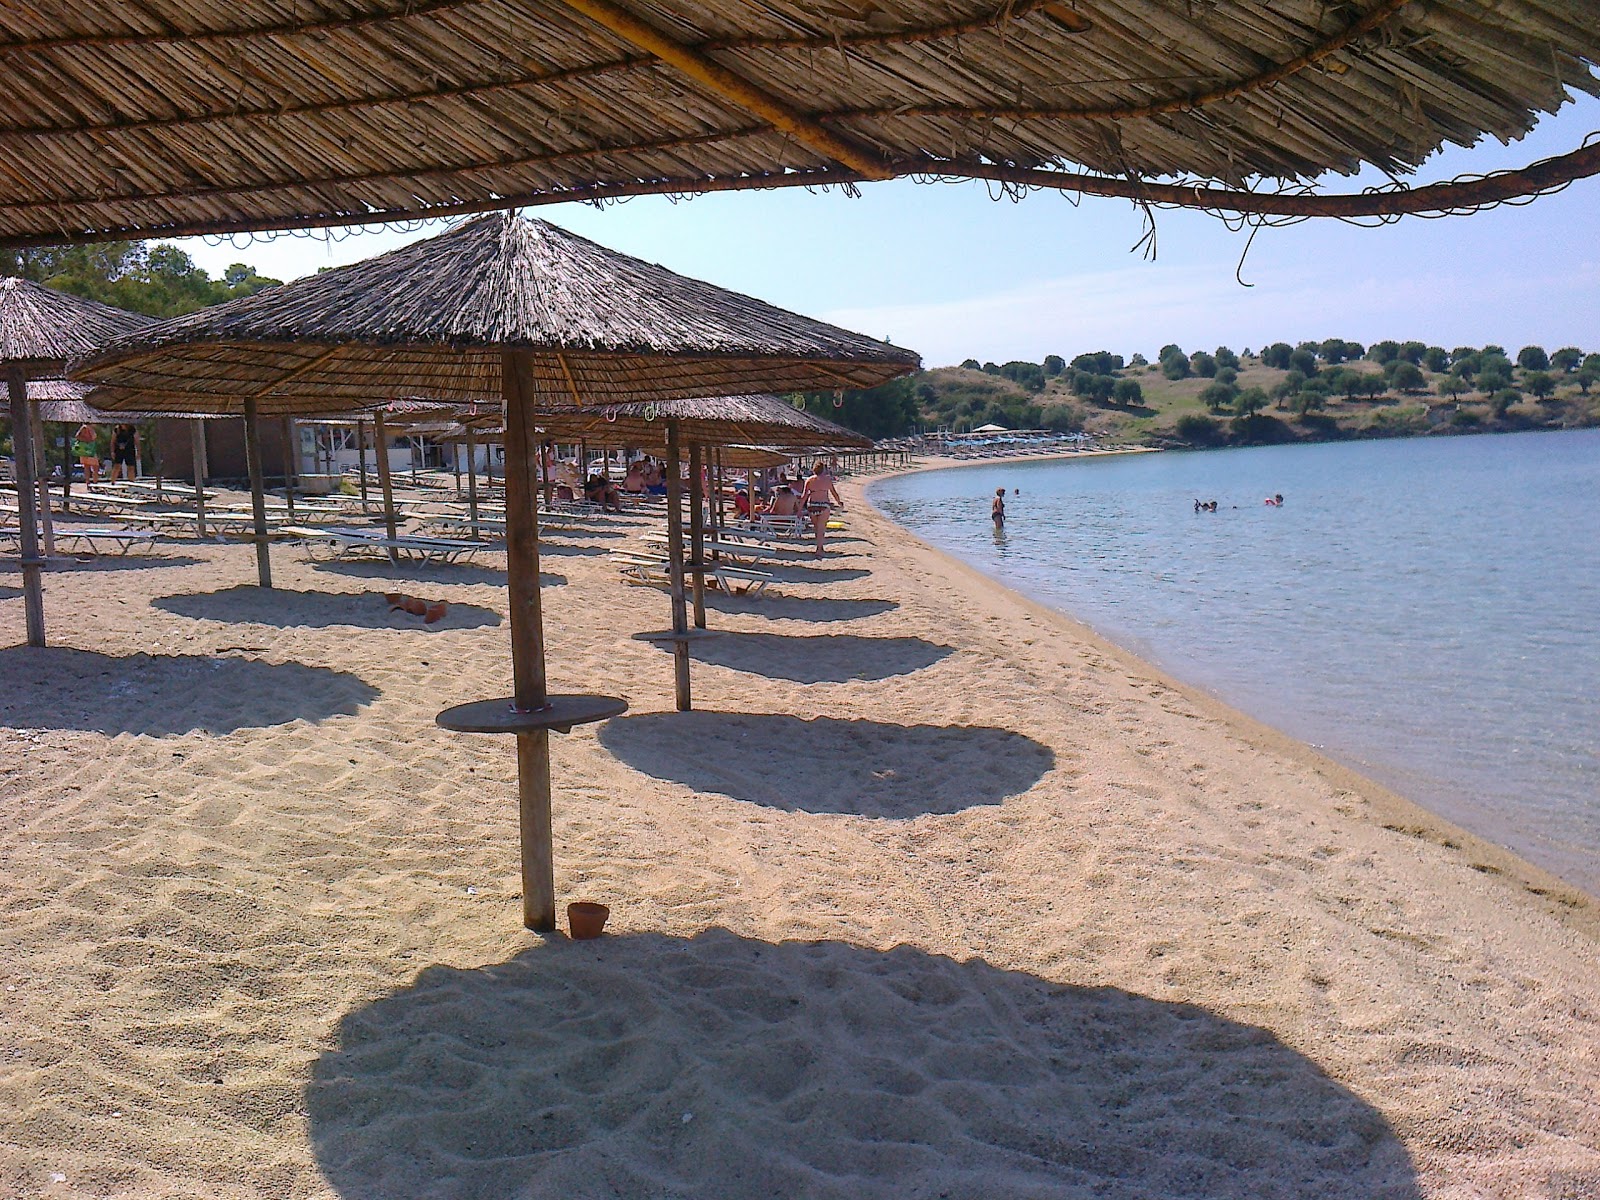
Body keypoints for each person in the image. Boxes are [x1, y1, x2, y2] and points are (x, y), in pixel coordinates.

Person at [798, 459, 841, 558]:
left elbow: (804, 496)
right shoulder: (827, 480)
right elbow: (834, 493)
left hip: (812, 505)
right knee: (821, 528)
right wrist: (839, 503)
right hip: (824, 505)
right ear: (824, 470)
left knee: (817, 528)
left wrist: (800, 509)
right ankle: (819, 549)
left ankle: (820, 547)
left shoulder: (809, 480)